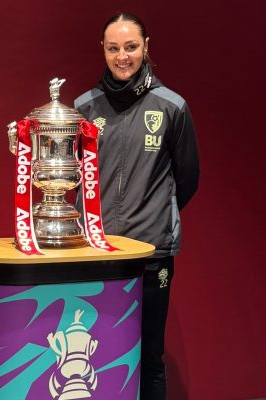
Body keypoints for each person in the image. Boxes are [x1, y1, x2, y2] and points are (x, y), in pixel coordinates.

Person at [74, 12, 199, 400]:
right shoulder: (83, 108)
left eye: (130, 47)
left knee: (149, 357)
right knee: (97, 354)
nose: (122, 56)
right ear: (103, 51)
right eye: (114, 48)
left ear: (146, 47)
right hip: (97, 252)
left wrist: (153, 215)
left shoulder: (171, 106)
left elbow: (188, 179)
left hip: (151, 253)